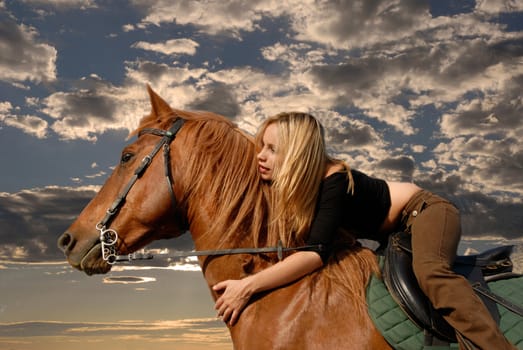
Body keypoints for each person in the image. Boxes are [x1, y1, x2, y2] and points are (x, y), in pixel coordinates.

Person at [212, 112, 516, 350]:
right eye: (261, 146)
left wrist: (248, 286)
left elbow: (314, 255)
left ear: (298, 154)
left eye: (272, 149)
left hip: (427, 212)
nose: (260, 156)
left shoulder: (335, 182)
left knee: (431, 273)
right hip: (394, 233)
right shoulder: (305, 187)